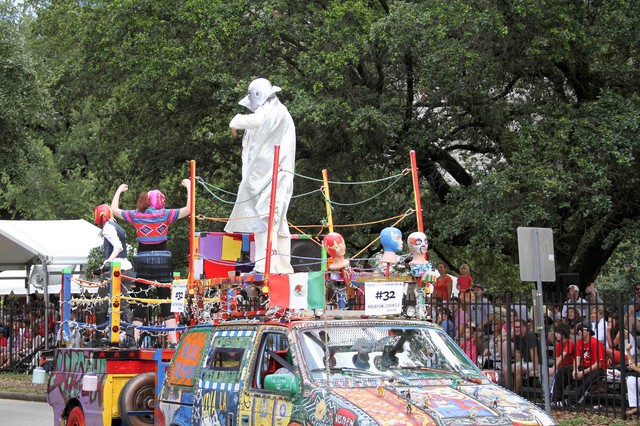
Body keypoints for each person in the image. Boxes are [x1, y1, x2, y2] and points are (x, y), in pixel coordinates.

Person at [226, 78, 296, 274]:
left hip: (274, 174)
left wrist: (236, 121)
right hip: (269, 173)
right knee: (272, 219)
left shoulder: (273, 110)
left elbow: (256, 120)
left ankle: (266, 266)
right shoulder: (275, 110)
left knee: (267, 218)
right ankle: (278, 265)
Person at [111, 179, 191, 347]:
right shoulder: (166, 214)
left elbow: (114, 210)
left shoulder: (136, 215)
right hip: (163, 261)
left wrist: (119, 190)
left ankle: (135, 340)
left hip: (143, 260)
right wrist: (189, 187)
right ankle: (174, 341)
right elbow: (189, 209)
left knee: (141, 299)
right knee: (164, 300)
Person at [92, 204, 136, 348]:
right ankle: (131, 340)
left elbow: (118, 247)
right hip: (127, 268)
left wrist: (107, 263)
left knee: (101, 304)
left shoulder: (108, 227)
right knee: (124, 304)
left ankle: (98, 338)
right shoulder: (117, 226)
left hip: (115, 269)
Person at [556, 323, 607, 407]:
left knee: (590, 378)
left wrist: (582, 372)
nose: (579, 332)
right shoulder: (579, 342)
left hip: (596, 369)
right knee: (562, 371)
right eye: (578, 330)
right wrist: (575, 369)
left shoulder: (596, 343)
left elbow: (598, 364)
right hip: (583, 367)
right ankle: (556, 399)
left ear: (588, 331)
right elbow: (577, 358)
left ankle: (572, 402)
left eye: (581, 330)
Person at [549, 323, 576, 404]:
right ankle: (548, 396)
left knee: (558, 372)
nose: (556, 335)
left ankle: (554, 398)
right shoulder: (557, 345)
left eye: (558, 333)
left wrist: (553, 369)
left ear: (564, 334)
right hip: (561, 367)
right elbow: (558, 359)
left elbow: (563, 356)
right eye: (556, 333)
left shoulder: (569, 342)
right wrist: (554, 368)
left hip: (570, 367)